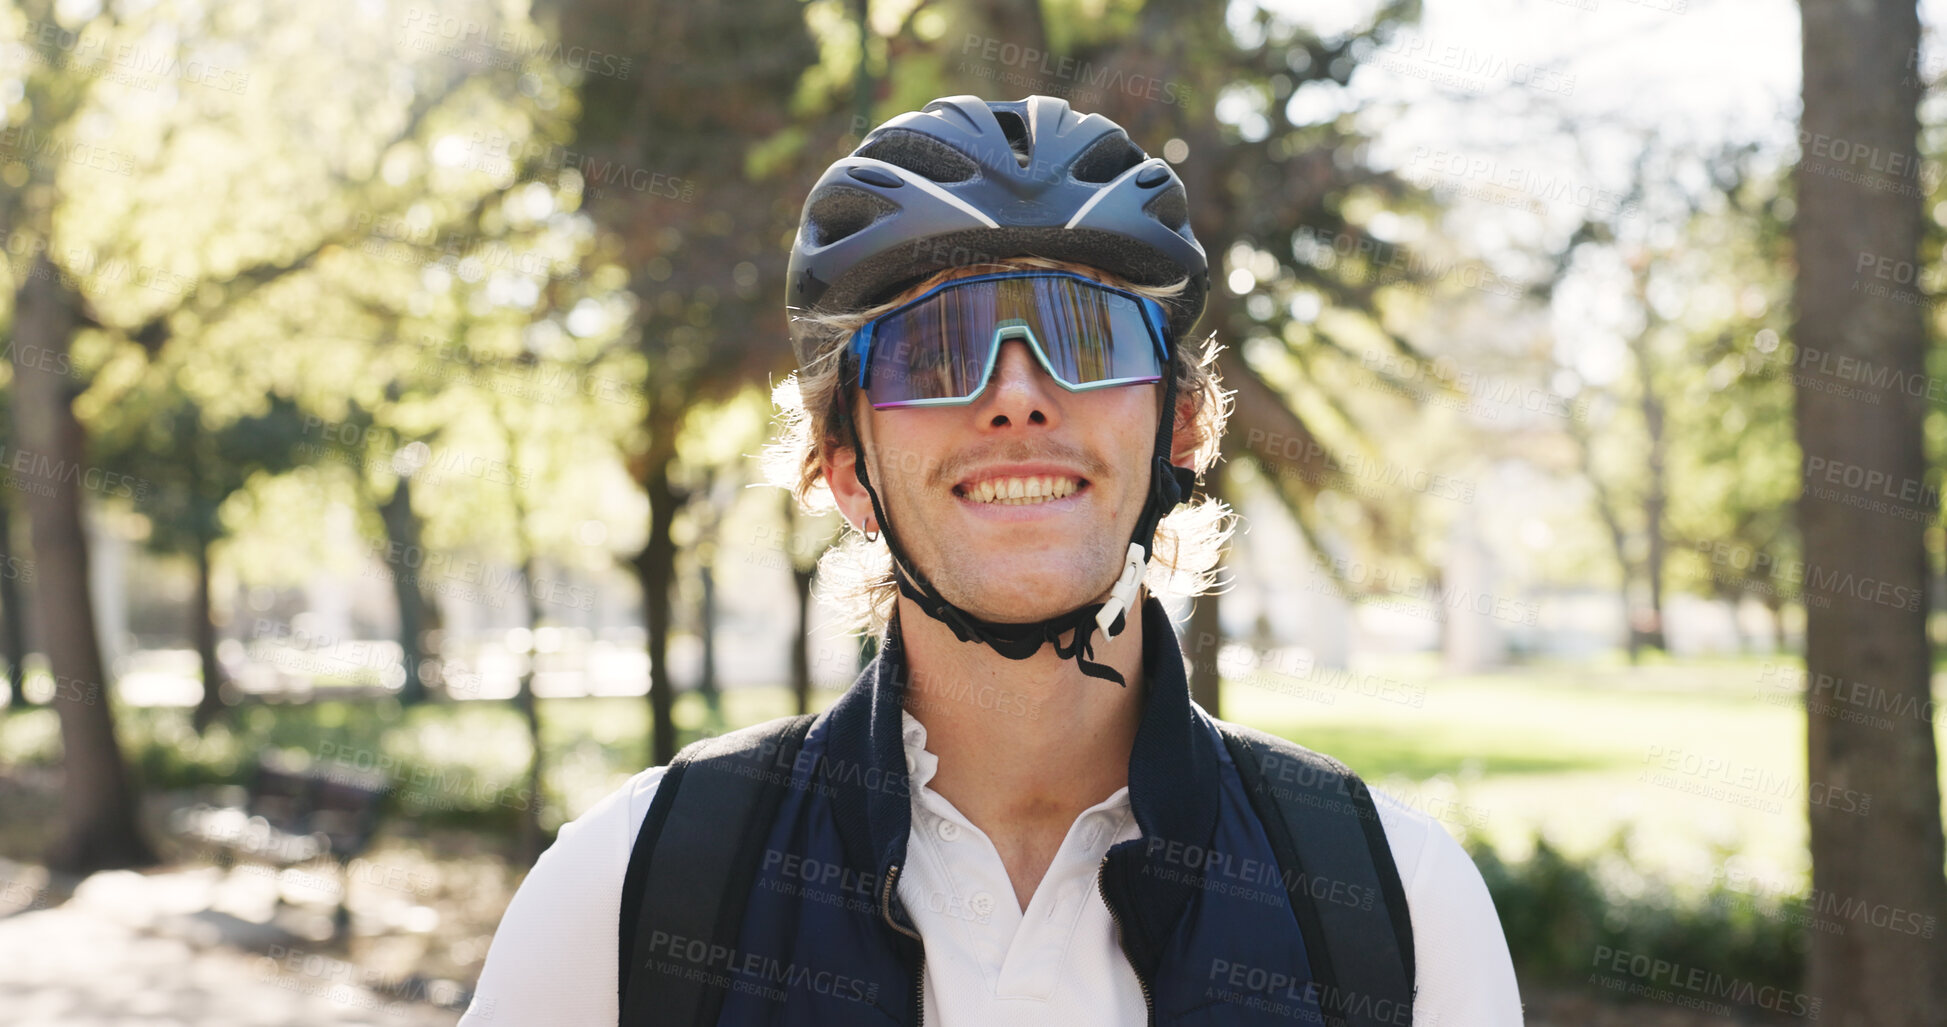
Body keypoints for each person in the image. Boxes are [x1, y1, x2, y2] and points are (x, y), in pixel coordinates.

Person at [459, 94, 1523, 1026]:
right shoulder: (634, 886)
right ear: (842, 461)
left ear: (1184, 427)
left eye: (1091, 336)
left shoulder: (1398, 900)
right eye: (935, 350)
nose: (1017, 393)